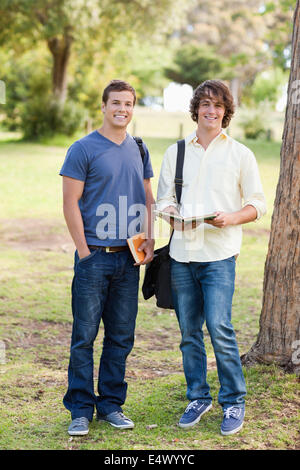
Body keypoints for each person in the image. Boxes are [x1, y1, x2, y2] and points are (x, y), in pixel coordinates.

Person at [156, 79, 266, 435]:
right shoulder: (176, 152)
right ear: (196, 109)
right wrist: (172, 215)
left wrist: (231, 218)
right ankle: (197, 397)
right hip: (182, 255)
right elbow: (164, 200)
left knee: (219, 328)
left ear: (226, 111)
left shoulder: (240, 154)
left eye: (218, 105)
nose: (211, 110)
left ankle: (234, 401)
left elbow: (257, 204)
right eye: (204, 103)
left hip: (219, 255)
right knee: (189, 333)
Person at [60, 79, 155, 436]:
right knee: (84, 336)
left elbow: (148, 197)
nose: (122, 109)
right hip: (93, 258)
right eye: (116, 103)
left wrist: (149, 239)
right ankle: (81, 409)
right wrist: (84, 252)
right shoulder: (82, 149)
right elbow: (70, 203)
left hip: (129, 260)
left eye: (128, 104)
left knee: (121, 336)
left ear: (133, 107)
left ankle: (111, 404)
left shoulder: (139, 148)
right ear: (103, 106)